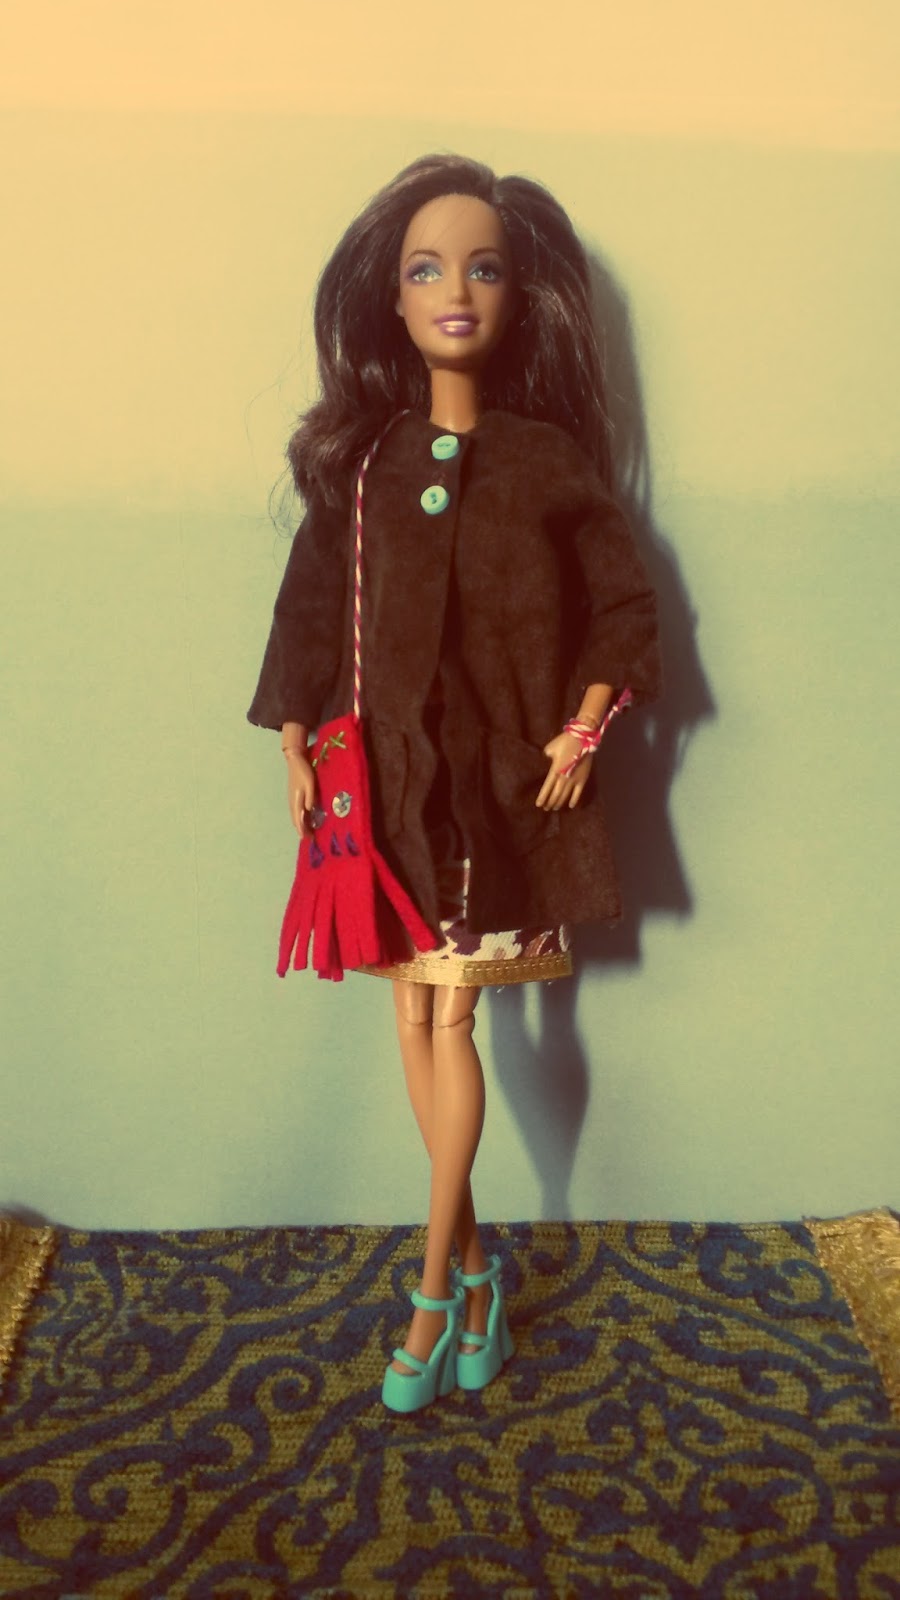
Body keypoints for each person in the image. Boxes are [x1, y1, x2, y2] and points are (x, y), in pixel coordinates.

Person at [247, 154, 662, 1413]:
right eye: (427, 269)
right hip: (385, 794)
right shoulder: (366, 466)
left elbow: (625, 608)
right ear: (392, 297)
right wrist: (296, 742)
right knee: (414, 1020)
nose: (456, 292)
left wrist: (582, 728)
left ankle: (431, 1294)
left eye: (483, 268)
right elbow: (309, 612)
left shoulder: (545, 462)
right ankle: (478, 1274)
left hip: (502, 801)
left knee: (453, 1021)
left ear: (519, 297)